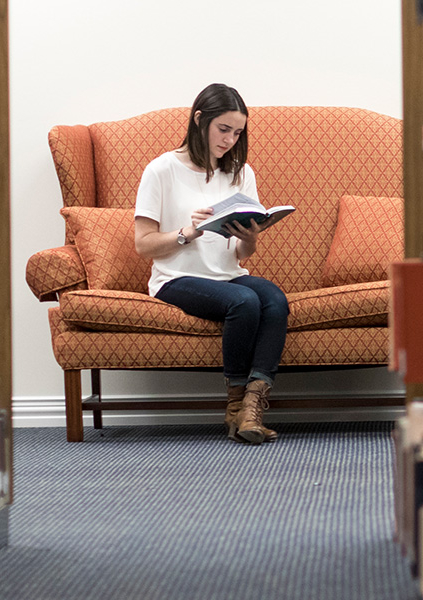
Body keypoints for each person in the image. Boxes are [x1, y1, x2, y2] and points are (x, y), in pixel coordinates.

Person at [132, 83, 283, 444]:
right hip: (176, 277)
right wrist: (189, 231)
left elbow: (243, 254)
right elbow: (143, 245)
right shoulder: (161, 170)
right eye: (224, 129)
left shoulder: (241, 173)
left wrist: (248, 237)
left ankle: (252, 407)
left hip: (228, 274)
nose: (230, 140)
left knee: (274, 300)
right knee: (244, 302)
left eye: (237, 132)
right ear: (200, 119)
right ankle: (235, 404)